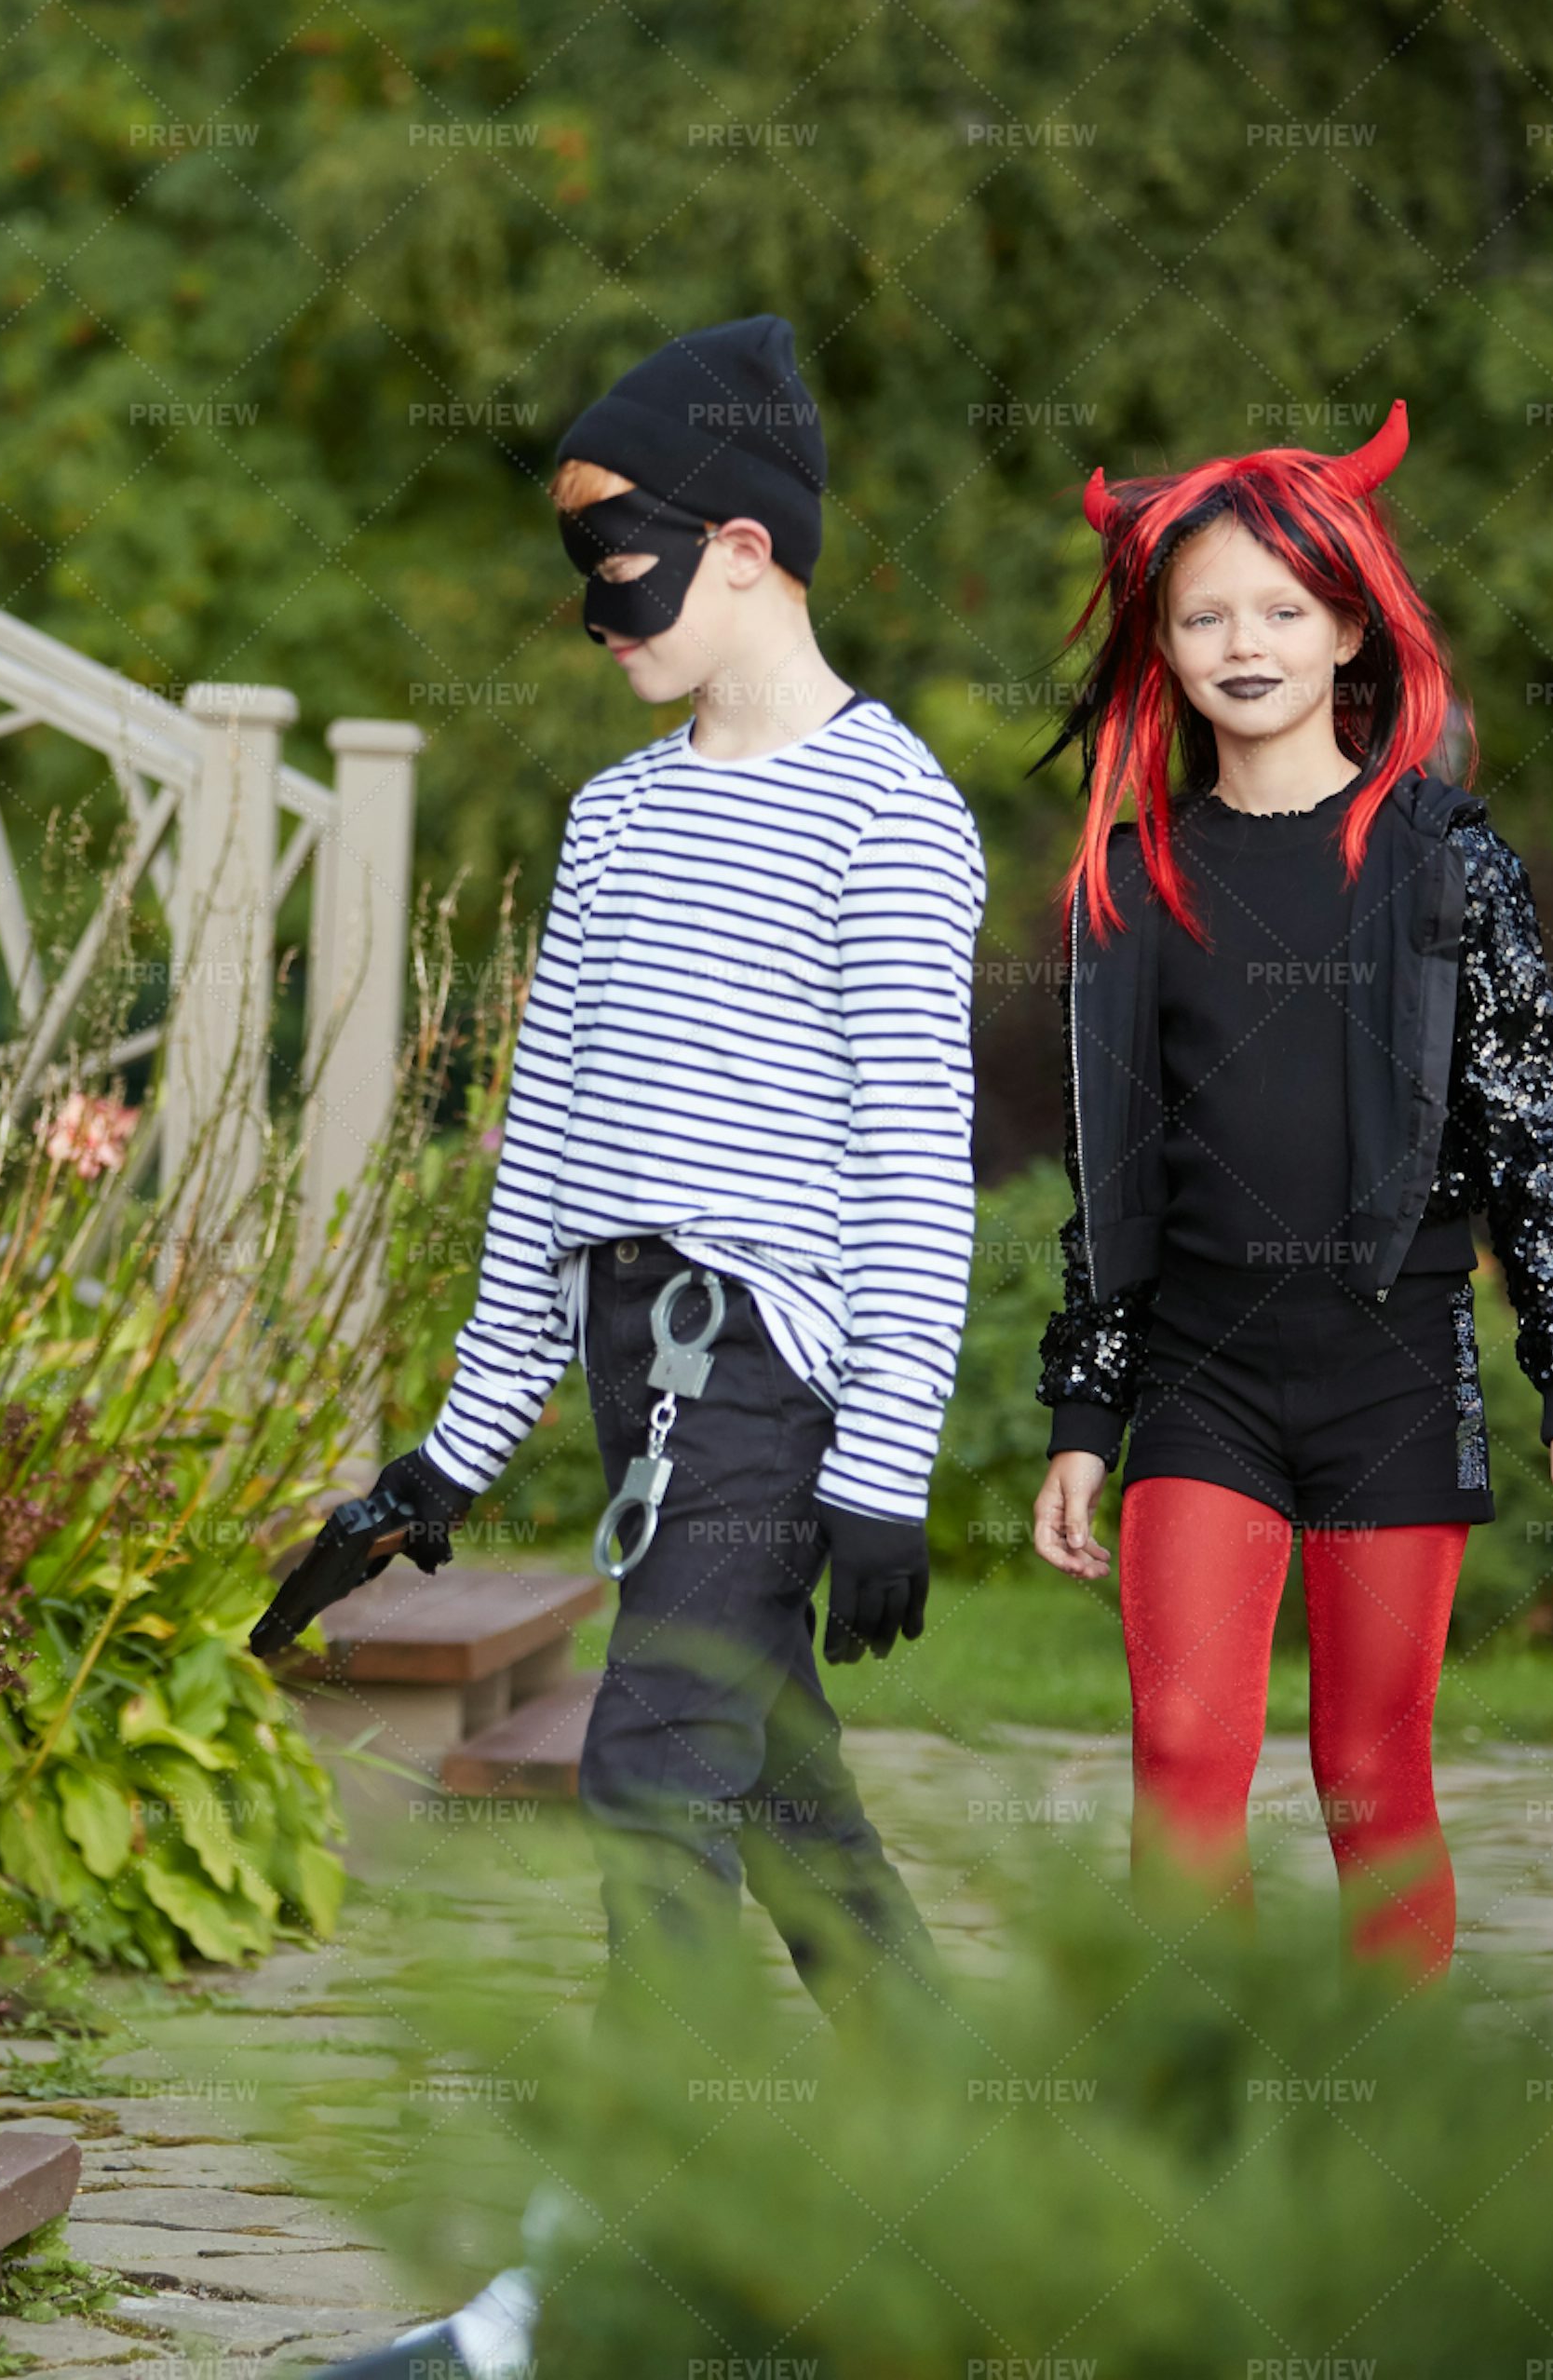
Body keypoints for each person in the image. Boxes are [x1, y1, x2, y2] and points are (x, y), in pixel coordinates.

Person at [299, 316, 983, 2025]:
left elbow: (914, 1164)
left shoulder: (890, 815)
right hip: (630, 1354)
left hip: (761, 1370)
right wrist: (450, 1460)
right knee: (775, 1782)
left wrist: (888, 1466)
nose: (596, 616)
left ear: (741, 552)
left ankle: (643, 2243)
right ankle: (965, 2139)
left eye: (623, 572)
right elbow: (547, 1161)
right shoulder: (611, 820)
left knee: (652, 1768)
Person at [1026, 403, 1553, 1979]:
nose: (1246, 640)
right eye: (1206, 612)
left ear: (1349, 624)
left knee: (1371, 1777)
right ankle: (1207, 2123)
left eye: (1283, 610)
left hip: (1389, 1372)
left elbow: (1540, 1126)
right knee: (1179, 1760)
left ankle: (1390, 2147)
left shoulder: (1442, 857)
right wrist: (1087, 1420)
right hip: (1198, 1382)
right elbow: (1112, 1179)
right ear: (1161, 645)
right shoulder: (1135, 878)